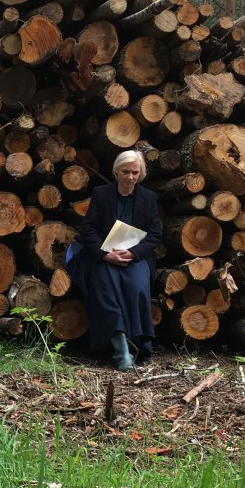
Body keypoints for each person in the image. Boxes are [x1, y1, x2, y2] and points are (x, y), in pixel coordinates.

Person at [67, 149, 162, 371]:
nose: (130, 177)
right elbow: (89, 228)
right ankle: (121, 351)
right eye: (126, 172)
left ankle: (137, 344)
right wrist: (105, 254)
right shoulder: (101, 194)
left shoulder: (148, 198)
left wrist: (135, 253)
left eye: (135, 173)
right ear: (116, 172)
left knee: (137, 286)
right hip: (104, 255)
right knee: (105, 287)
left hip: (135, 256)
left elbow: (155, 235)